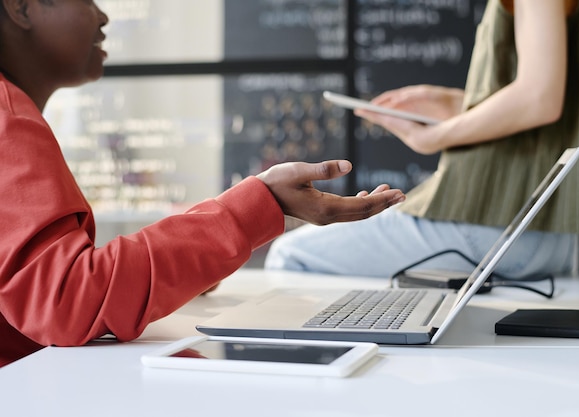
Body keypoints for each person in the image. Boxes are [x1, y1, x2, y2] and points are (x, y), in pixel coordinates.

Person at [0, 0, 406, 367]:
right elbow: (67, 298)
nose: (103, 16)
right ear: (20, 8)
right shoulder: (8, 120)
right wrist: (255, 206)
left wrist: (189, 263)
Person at [265, 0, 579, 278]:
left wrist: (434, 138)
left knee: (290, 256)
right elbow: (557, 94)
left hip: (491, 220)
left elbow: (539, 99)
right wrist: (454, 102)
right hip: (549, 235)